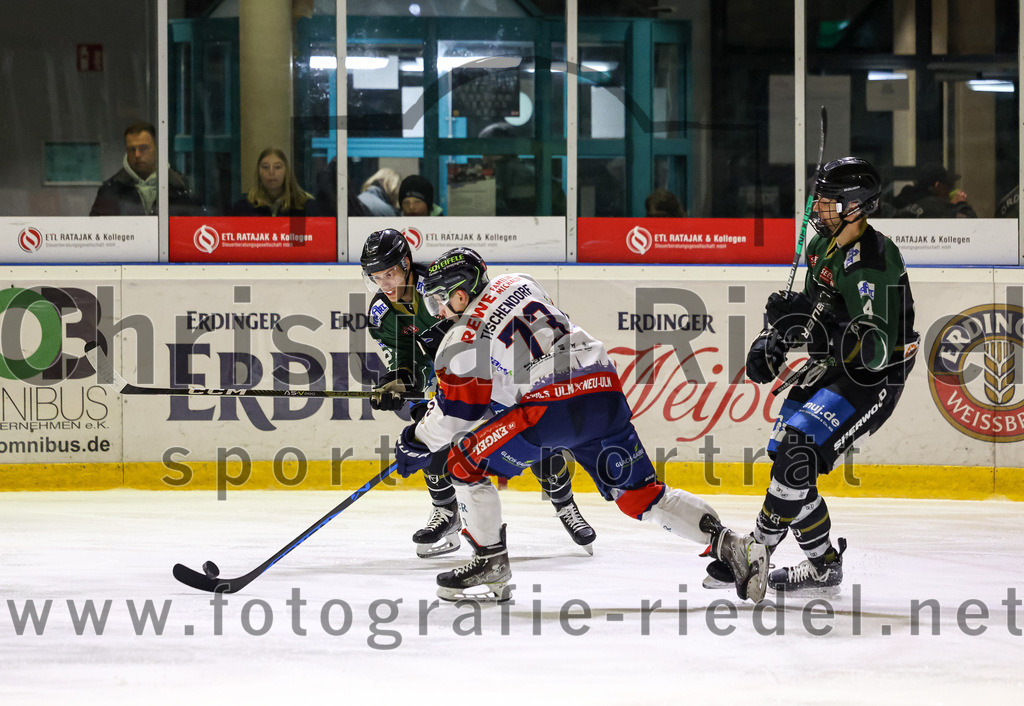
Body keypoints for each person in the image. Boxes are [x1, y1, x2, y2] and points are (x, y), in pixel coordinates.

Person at [393, 247, 770, 603]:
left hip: (551, 405)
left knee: (463, 462)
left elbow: (457, 416)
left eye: (440, 300)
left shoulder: (460, 339)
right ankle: (733, 545)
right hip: (601, 385)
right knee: (641, 495)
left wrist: (415, 439)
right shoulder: (518, 281)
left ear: (461, 293)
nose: (439, 312)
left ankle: (490, 561)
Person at [729, 157, 918, 593]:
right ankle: (823, 566)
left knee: (798, 453)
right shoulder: (821, 245)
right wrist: (778, 335)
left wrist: (813, 327)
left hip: (873, 378)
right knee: (784, 454)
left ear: (856, 206)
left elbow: (873, 350)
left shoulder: (871, 262)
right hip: (834, 366)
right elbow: (816, 313)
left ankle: (755, 551)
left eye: (829, 201)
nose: (818, 208)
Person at [360, 229, 596, 558]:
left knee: (535, 432)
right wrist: (399, 379)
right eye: (376, 277)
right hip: (452, 377)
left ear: (406, 264)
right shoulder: (381, 314)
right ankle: (446, 512)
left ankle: (565, 505)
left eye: (390, 274)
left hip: (495, 371)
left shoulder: (439, 283)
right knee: (428, 429)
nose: (385, 284)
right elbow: (405, 356)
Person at [89, 121, 202, 216]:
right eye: (132, 150)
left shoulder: (182, 187)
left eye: (143, 148)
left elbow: (196, 227)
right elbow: (98, 230)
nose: (137, 155)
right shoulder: (110, 190)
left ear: (157, 149)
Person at [230, 147, 316, 216]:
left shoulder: (306, 206)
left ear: (287, 172)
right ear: (258, 172)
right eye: (265, 167)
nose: (271, 172)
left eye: (277, 167)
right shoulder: (243, 208)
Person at [891, 162, 977, 218]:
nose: (950, 190)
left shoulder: (906, 201)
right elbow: (971, 226)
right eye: (949, 185)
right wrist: (961, 204)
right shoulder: (939, 206)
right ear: (937, 186)